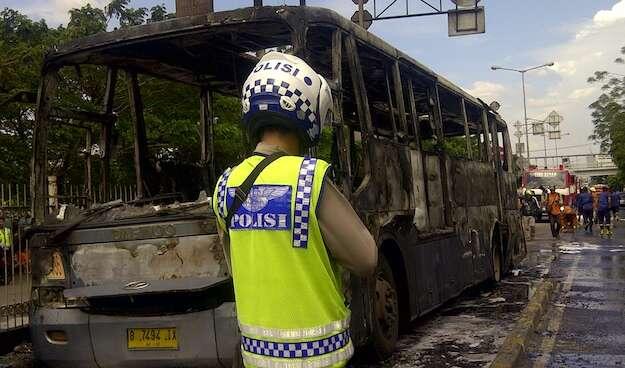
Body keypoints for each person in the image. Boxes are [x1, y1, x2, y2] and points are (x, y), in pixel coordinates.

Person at [212, 51, 377, 368]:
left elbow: (238, 267)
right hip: (320, 359)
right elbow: (366, 259)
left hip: (257, 359)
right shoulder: (309, 178)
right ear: (308, 112)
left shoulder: (226, 186)